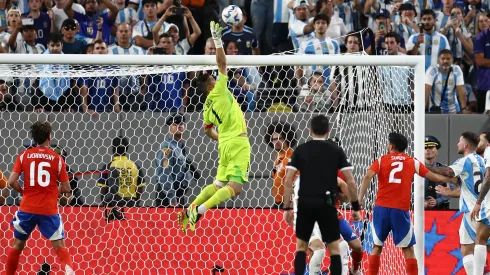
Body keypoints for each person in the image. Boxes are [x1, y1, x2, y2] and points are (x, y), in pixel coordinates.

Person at [178, 22, 251, 233]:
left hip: (225, 144)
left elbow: (207, 130)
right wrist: (218, 42)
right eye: (213, 78)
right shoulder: (219, 90)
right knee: (235, 188)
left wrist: (221, 138)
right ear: (211, 86)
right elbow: (222, 62)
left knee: (219, 184)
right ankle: (199, 210)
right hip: (238, 141)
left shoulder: (206, 108)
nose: (216, 77)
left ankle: (192, 205)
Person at [359, 132, 452, 275]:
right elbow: (434, 177)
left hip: (381, 209)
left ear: (391, 146)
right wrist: (453, 180)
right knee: (408, 249)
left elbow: (367, 176)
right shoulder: (412, 161)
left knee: (377, 246)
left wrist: (359, 199)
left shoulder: (381, 160)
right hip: (400, 210)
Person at [282, 115, 361, 275]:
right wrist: (355, 207)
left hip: (309, 209)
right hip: (317, 209)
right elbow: (350, 182)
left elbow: (288, 180)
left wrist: (286, 208)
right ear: (328, 131)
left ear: (310, 130)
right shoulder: (334, 152)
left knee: (318, 248)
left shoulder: (301, 150)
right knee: (327, 249)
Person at [4, 121, 74, 275]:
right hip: (48, 209)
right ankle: (70, 272)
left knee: (17, 245)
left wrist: (23, 191)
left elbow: (11, 181)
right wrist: (57, 190)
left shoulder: (24, 156)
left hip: (27, 208)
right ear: (49, 137)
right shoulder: (57, 159)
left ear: (34, 138)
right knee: (59, 246)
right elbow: (67, 188)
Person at [425, 132, 484, 275]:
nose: (457, 144)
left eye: (459, 142)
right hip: (481, 209)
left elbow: (447, 171)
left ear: (465, 145)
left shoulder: (464, 161)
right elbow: (462, 184)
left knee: (474, 248)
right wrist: (448, 193)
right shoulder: (482, 161)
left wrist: (421, 165)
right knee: (469, 248)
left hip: (471, 210)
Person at [97, 136, 146, 221]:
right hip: (131, 206)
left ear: (113, 149)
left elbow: (103, 189)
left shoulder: (107, 167)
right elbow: (140, 188)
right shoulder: (135, 166)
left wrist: (105, 205)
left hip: (112, 208)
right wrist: (136, 204)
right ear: (126, 149)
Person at [264, 121, 297, 207]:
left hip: (288, 203)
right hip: (278, 202)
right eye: (274, 139)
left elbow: (296, 182)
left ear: (287, 138)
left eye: (280, 138)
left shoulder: (292, 157)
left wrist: (292, 203)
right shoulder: (277, 157)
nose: (276, 142)